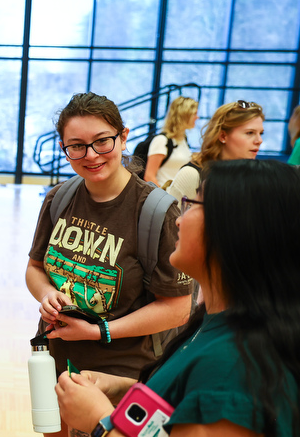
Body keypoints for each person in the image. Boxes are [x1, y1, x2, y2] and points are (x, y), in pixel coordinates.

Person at [55, 159, 300, 436]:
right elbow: (183, 396)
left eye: (195, 204)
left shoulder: (233, 367)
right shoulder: (220, 322)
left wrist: (100, 421)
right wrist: (128, 389)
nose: (179, 218)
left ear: (238, 230)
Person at [25, 92, 193, 437]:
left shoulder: (156, 212)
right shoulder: (60, 197)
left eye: (102, 141)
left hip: (123, 371)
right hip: (56, 357)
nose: (91, 155)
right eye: (77, 146)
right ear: (64, 148)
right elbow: (35, 268)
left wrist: (98, 330)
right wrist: (45, 294)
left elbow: (178, 309)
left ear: (123, 136)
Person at [166, 100, 264, 202]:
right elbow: (174, 218)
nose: (259, 140)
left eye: (261, 133)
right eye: (250, 133)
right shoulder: (192, 175)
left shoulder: (254, 178)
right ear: (223, 136)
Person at [144, 96, 197, 187]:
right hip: (165, 197)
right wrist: (165, 199)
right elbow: (149, 176)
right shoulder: (161, 140)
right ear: (184, 115)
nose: (197, 117)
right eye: (194, 114)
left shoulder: (183, 140)